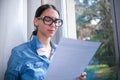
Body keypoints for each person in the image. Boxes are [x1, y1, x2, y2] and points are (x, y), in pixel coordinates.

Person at [4, 4, 86, 80]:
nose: (53, 24)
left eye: (56, 21)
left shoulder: (63, 52)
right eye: (48, 19)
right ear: (36, 21)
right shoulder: (19, 53)